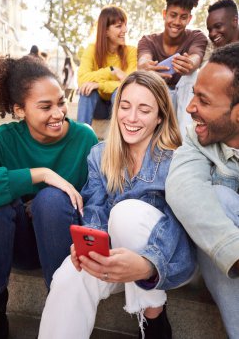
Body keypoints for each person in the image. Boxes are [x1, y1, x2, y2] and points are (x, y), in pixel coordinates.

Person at [39, 71, 196, 339]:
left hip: (167, 261)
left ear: (160, 117)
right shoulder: (100, 154)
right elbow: (95, 209)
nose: (131, 118)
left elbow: (179, 224)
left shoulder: (177, 159)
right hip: (117, 259)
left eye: (144, 110)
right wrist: (88, 244)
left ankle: (153, 313)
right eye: (125, 106)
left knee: (126, 213)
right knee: (68, 277)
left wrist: (148, 264)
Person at [0, 56, 98, 338]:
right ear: (20, 110)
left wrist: (52, 195)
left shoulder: (84, 138)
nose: (59, 113)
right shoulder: (2, 140)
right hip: (17, 246)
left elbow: (98, 197)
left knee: (51, 200)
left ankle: (61, 305)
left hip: (65, 247)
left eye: (61, 102)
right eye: (45, 107)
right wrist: (39, 174)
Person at [166, 42, 239, 339]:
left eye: (204, 101)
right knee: (217, 199)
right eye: (193, 93)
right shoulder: (198, 138)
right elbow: (183, 189)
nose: (189, 107)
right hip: (227, 264)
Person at [138, 0, 208, 138]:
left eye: (183, 17)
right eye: (173, 15)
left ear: (189, 19)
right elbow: (144, 59)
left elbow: (196, 57)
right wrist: (145, 67)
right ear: (164, 14)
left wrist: (190, 64)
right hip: (158, 94)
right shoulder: (148, 40)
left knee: (193, 75)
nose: (177, 22)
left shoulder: (197, 37)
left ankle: (184, 144)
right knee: (142, 81)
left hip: (184, 95)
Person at [77, 5, 137, 126]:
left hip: (121, 106)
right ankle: (81, 137)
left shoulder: (131, 51)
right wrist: (111, 71)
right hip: (97, 107)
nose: (125, 30)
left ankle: (119, 140)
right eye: (119, 26)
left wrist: (99, 85)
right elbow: (82, 80)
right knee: (86, 92)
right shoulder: (91, 50)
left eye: (125, 25)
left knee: (119, 92)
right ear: (105, 31)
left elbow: (131, 84)